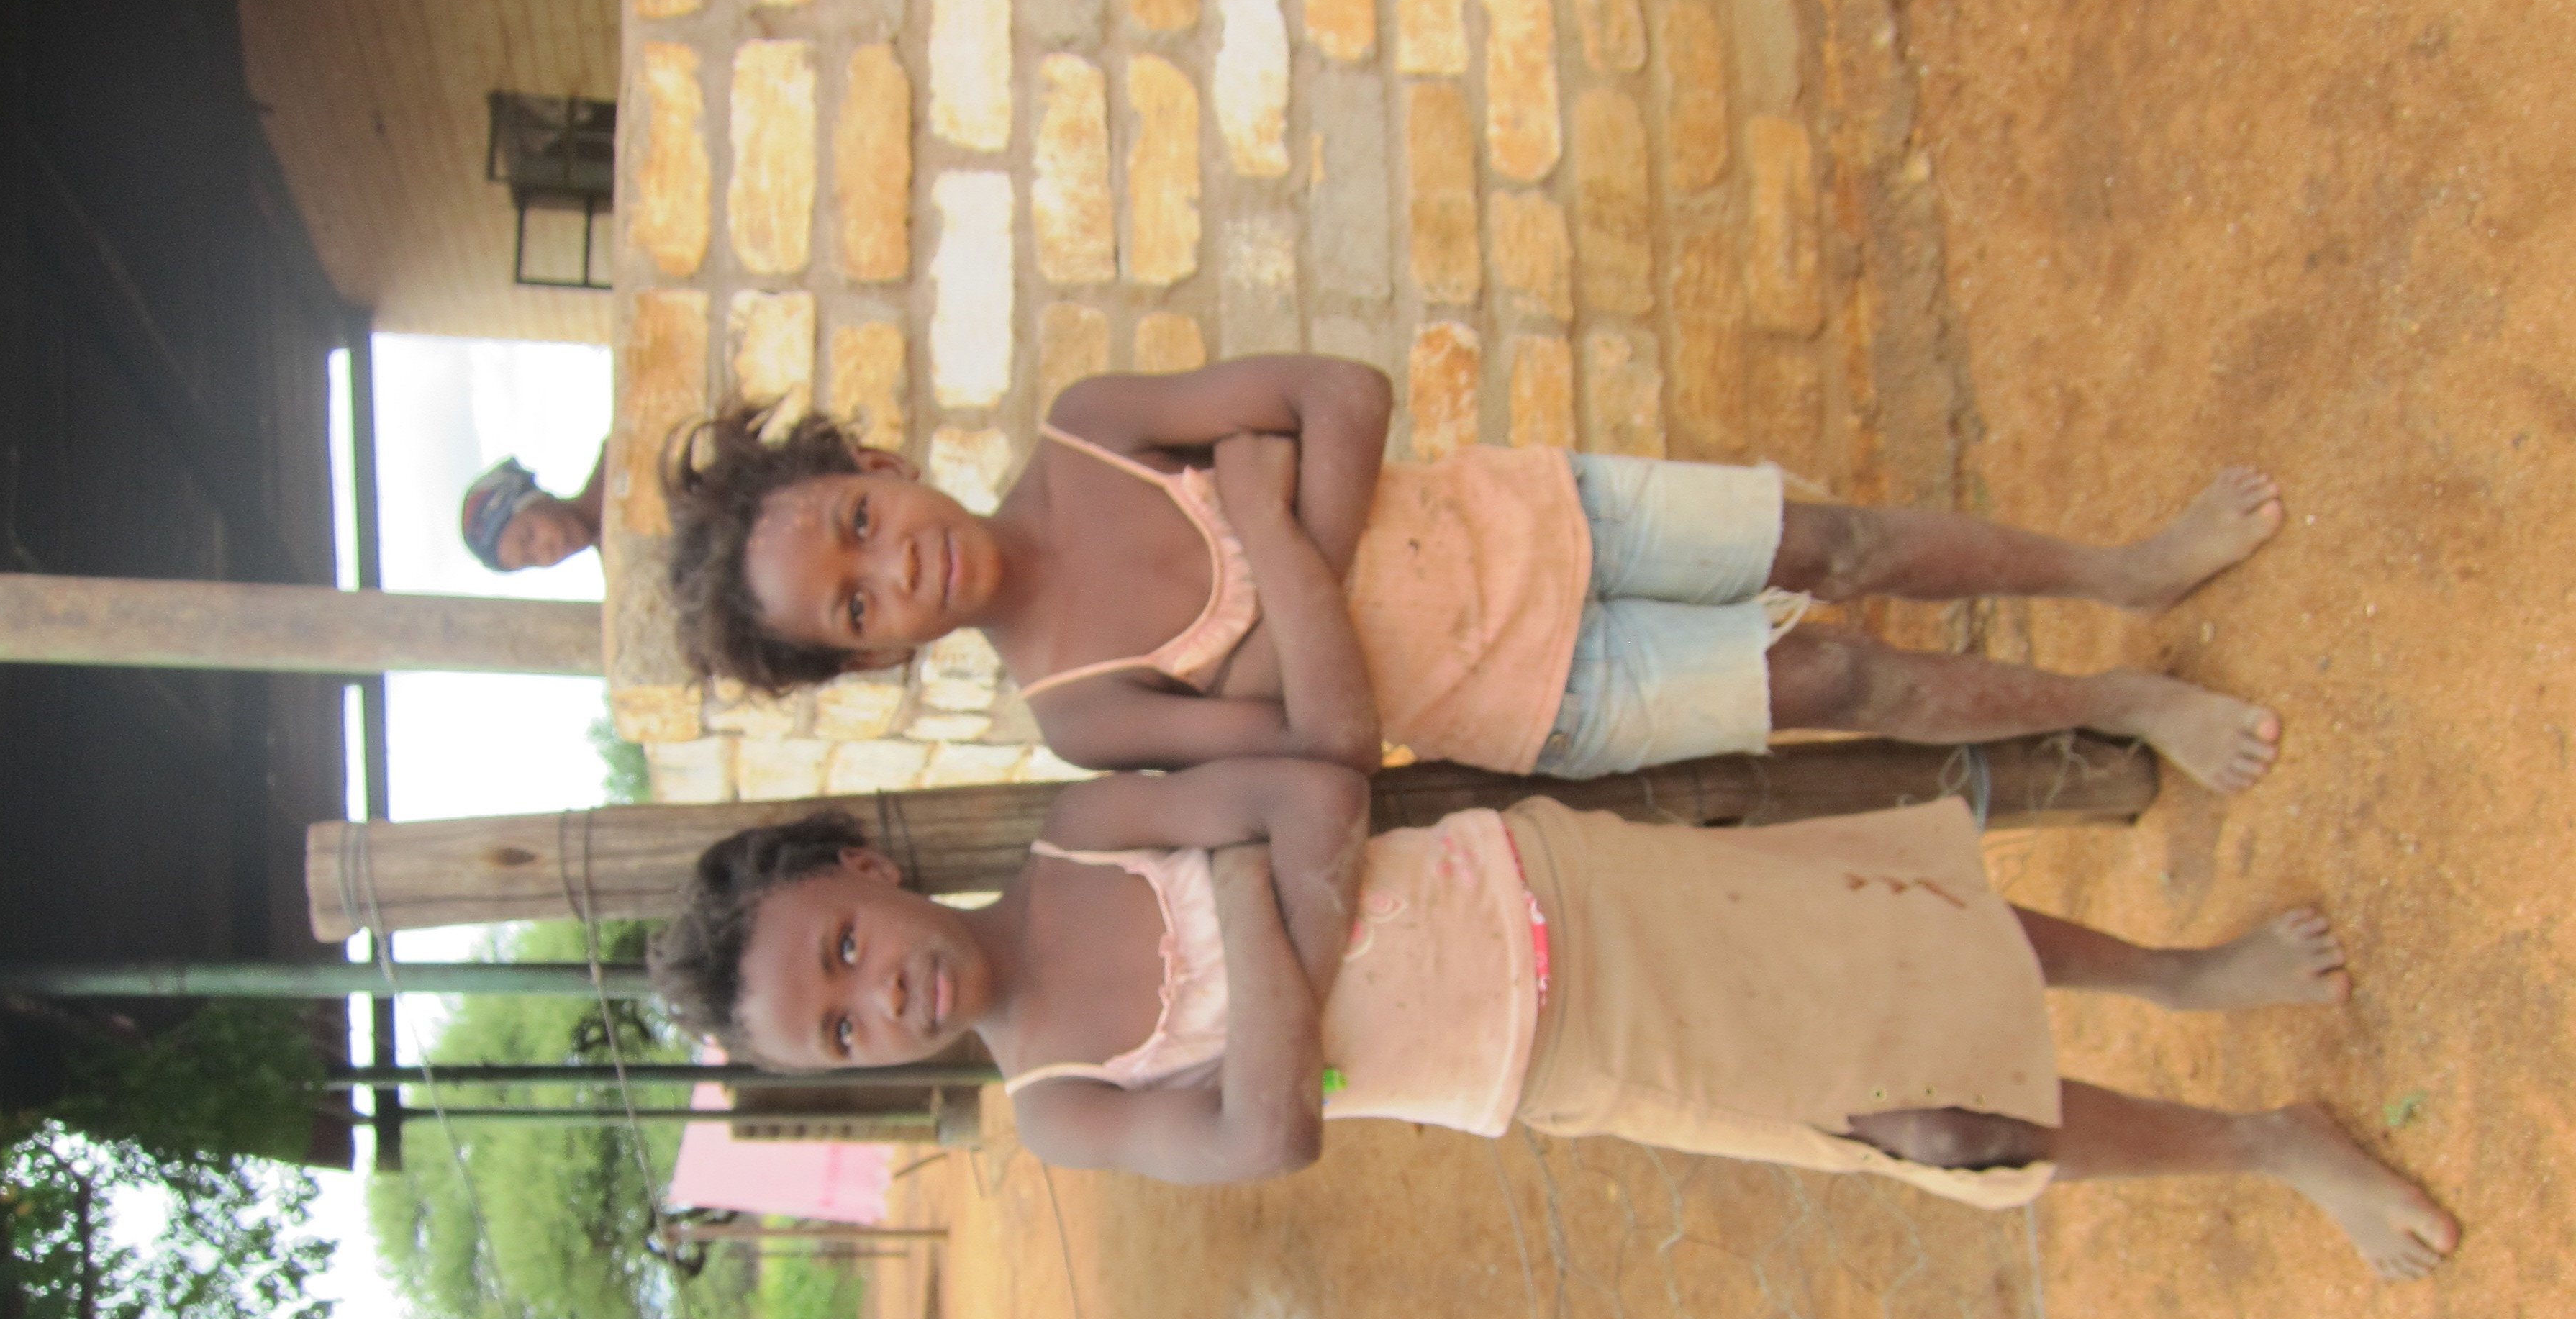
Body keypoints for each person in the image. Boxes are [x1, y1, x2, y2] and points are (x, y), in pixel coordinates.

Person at [645, 645, 2454, 1277]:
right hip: (1571, 1053)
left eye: (845, 947)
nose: (880, 994)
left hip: (1565, 883)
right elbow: (1271, 1126)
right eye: (837, 1026)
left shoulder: (1082, 821)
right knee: (1936, 1120)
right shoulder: (1055, 1105)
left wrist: (1265, 884)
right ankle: (2268, 1146)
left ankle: (2174, 974)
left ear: (865, 868)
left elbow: (1317, 782)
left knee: (1890, 919)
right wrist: (1264, 883)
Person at [661, 358, 2286, 793]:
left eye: (857, 524)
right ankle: (2120, 701)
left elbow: (1348, 392)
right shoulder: (1082, 710)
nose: (897, 567)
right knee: (1840, 680)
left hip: (1542, 514)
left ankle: (2124, 570)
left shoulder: (1088, 431)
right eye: (857, 607)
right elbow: (1334, 743)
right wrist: (1276, 510)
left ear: (872, 463)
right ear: (873, 662)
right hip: (1539, 693)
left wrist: (1275, 625)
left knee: (1835, 538)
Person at [460, 443, 607, 572]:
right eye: (531, 560)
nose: (547, 555)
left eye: (529, 536)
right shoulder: (622, 580)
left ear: (534, 499)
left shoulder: (623, 450)